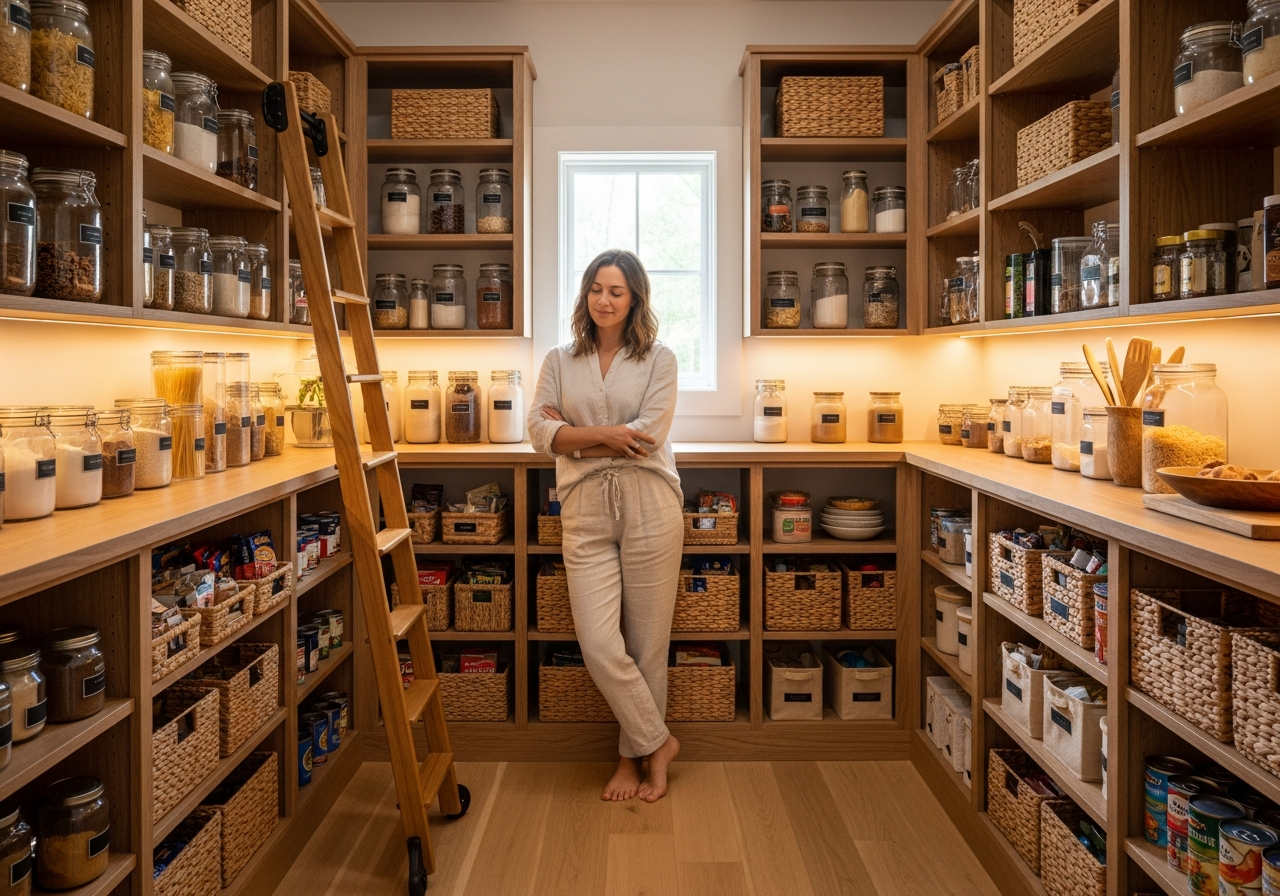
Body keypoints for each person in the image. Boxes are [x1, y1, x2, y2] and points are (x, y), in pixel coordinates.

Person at [527, 249, 683, 802]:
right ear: (585, 294)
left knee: (647, 645)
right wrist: (610, 437)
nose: (604, 300)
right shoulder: (559, 359)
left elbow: (648, 437)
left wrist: (576, 435)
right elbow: (537, 432)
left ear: (635, 298)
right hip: (585, 508)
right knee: (598, 642)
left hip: (651, 504)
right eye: (596, 288)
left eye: (616, 291)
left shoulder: (660, 359)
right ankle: (658, 740)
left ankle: (634, 761)